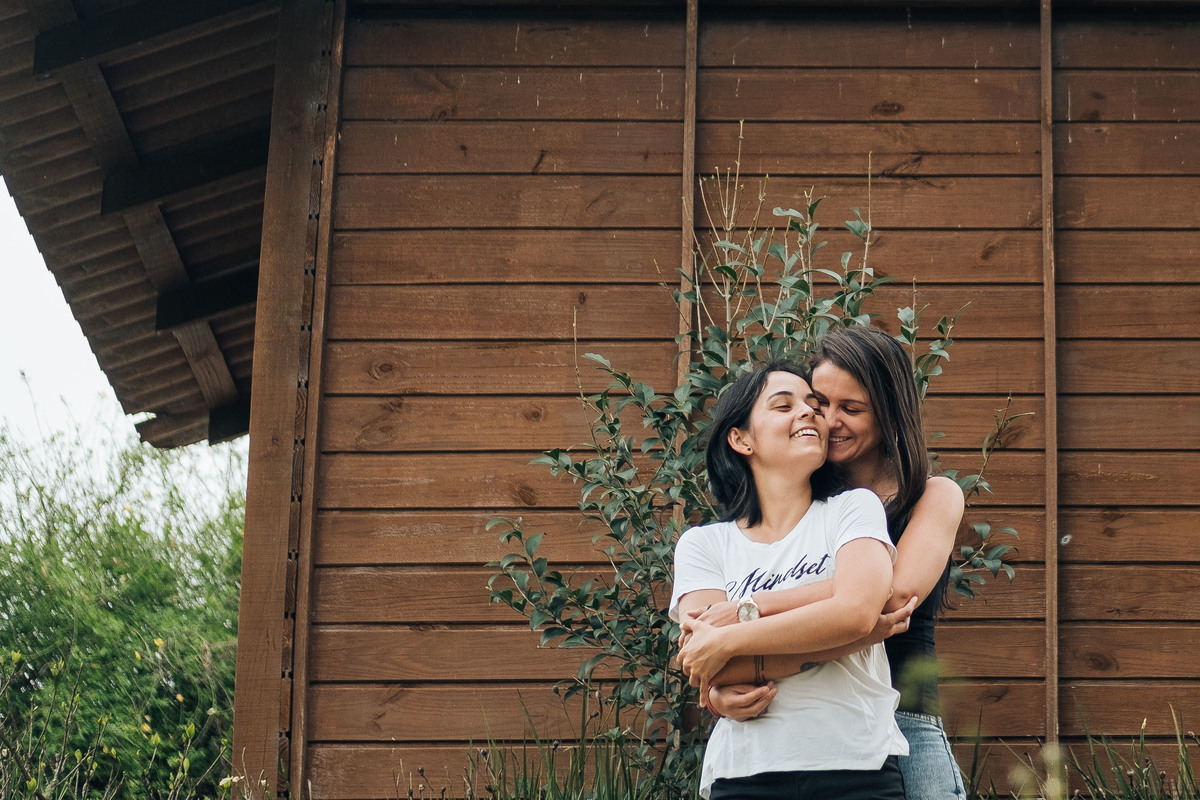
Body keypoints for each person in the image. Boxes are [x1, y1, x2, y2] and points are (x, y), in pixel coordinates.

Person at [697, 326, 967, 800]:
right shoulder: (805, 504)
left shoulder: (932, 495)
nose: (831, 421)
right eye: (822, 405)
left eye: (853, 409)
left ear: (889, 413)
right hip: (799, 731)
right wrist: (721, 688)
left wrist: (751, 612)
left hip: (903, 725)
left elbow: (887, 598)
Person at [671, 361, 909, 800]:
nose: (809, 412)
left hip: (856, 764)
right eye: (784, 405)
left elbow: (857, 611)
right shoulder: (703, 545)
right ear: (741, 439)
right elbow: (706, 665)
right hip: (743, 772)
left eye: (812, 404)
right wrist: (838, 632)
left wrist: (734, 635)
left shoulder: (853, 510)